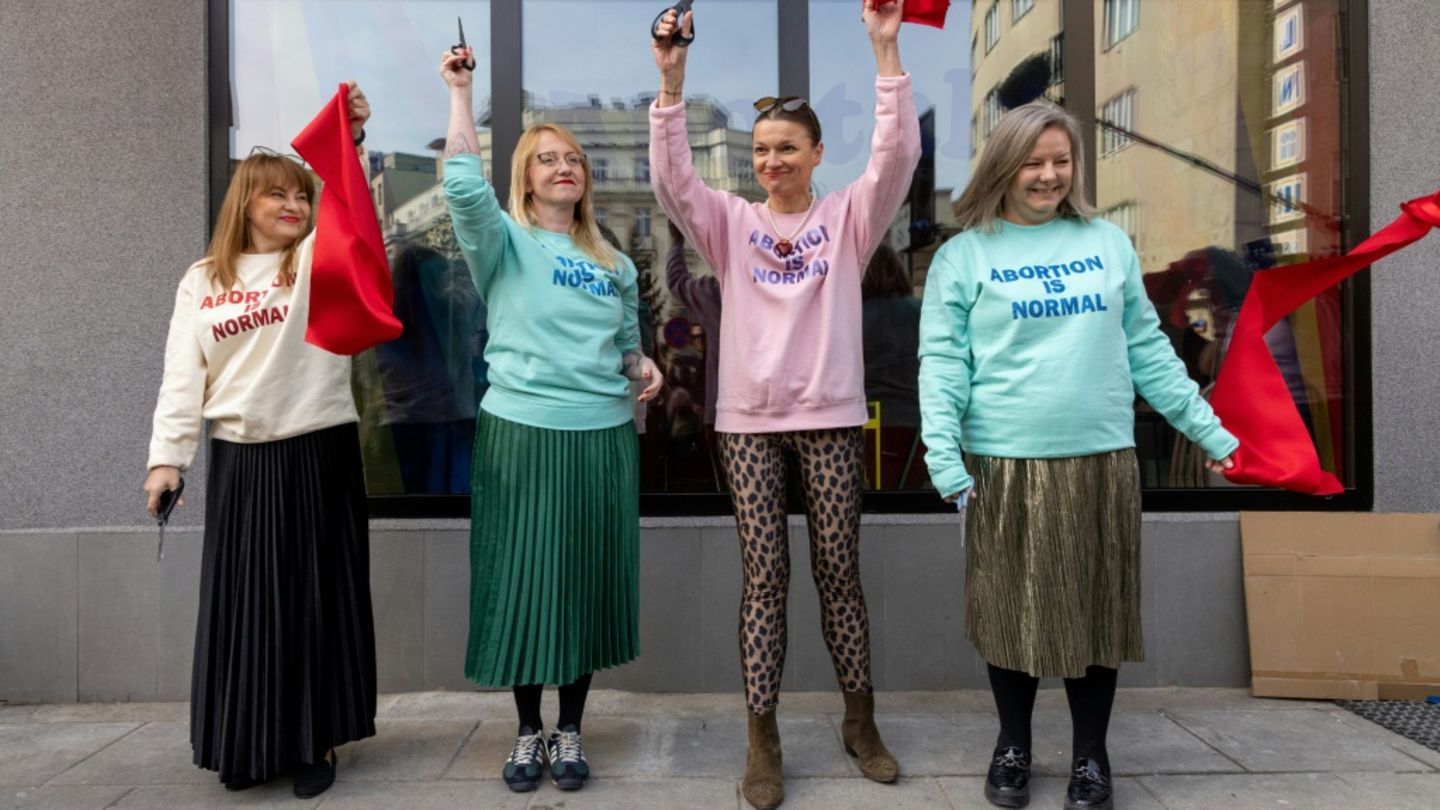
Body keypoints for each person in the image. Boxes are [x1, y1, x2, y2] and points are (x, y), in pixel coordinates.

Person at [917, 101, 1240, 810]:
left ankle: (1091, 758)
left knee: (1097, 613)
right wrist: (946, 458)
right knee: (1010, 611)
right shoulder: (964, 255)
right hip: (1004, 462)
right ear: (1005, 165)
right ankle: (1014, 745)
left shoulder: (1106, 243)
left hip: (1100, 459)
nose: (1049, 175)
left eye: (1061, 161)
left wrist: (1215, 435)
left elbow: (1151, 355)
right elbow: (941, 365)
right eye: (1033, 162)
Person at [649, 3, 920, 807]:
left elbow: (897, 155)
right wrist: (671, 80)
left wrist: (884, 49)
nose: (772, 161)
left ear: (815, 155)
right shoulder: (730, 225)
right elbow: (673, 182)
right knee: (764, 580)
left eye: (787, 148)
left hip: (831, 418)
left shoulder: (848, 219)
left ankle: (859, 721)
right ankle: (761, 736)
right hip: (749, 429)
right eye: (762, 150)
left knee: (840, 574)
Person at [143, 82, 379, 799]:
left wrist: (353, 141)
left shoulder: (313, 263)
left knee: (314, 602)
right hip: (242, 461)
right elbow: (182, 376)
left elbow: (350, 213)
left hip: (318, 451)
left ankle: (315, 744)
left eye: (299, 196)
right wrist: (167, 461)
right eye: (276, 195)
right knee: (247, 611)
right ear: (243, 202)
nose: (293, 206)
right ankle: (246, 743)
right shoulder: (202, 281)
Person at [439, 45, 663, 794]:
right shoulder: (502, 242)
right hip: (522, 436)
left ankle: (571, 728)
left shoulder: (615, 261)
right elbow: (463, 188)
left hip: (600, 439)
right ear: (526, 178)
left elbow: (627, 347)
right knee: (523, 579)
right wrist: (462, 93)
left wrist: (645, 367)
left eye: (573, 158)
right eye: (546, 159)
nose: (563, 166)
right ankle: (527, 731)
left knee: (583, 584)